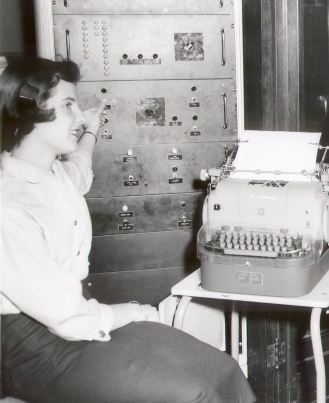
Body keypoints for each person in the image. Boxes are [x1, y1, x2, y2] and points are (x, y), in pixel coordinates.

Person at [0, 57, 256, 403]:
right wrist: (138, 311)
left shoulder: (50, 172)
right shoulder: (10, 210)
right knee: (196, 395)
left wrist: (90, 129)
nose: (78, 116)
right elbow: (68, 319)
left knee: (223, 369)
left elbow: (80, 170)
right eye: (68, 105)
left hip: (78, 317)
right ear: (28, 111)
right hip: (39, 352)